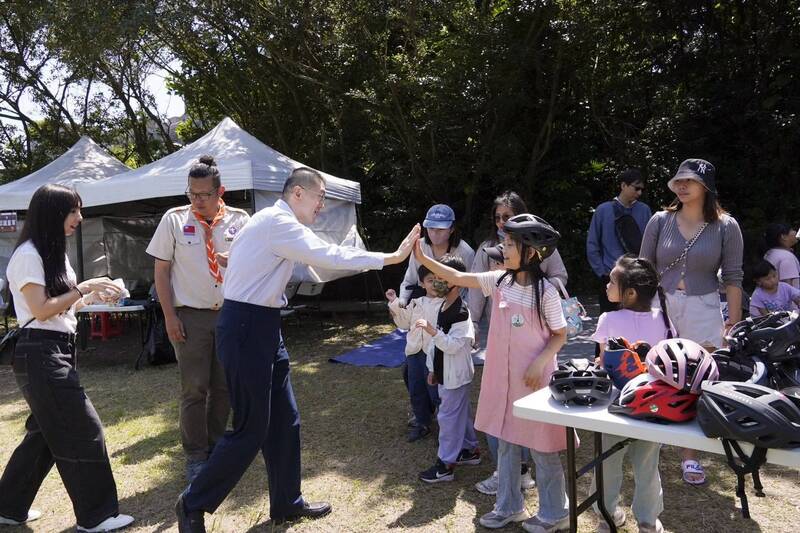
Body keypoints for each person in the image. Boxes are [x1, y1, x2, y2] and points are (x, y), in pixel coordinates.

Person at [175, 167, 420, 532]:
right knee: (250, 428)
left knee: (285, 420)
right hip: (246, 327)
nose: (322, 204)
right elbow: (329, 256)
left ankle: (287, 502)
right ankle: (193, 503)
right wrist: (390, 258)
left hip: (262, 326)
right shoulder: (279, 223)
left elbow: (240, 256)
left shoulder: (268, 221)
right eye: (320, 196)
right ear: (298, 194)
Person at [414, 214, 570, 533]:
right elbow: (456, 277)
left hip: (535, 383)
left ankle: (556, 511)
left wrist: (540, 363)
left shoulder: (547, 293)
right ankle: (509, 506)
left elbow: (560, 334)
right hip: (504, 381)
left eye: (510, 244)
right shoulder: (498, 280)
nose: (503, 248)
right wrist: (421, 255)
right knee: (507, 443)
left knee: (543, 448)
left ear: (530, 252)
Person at [0, 184, 134, 532]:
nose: (80, 217)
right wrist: (84, 287)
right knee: (82, 429)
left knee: (44, 433)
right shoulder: (29, 254)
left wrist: (92, 295)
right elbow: (42, 310)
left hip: (55, 347)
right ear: (52, 213)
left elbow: (63, 307)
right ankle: (97, 517)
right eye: (73, 211)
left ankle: (8, 507)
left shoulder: (51, 252)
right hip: (39, 351)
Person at [640, 158, 744, 486]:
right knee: (654, 371)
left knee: (699, 377)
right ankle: (647, 447)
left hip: (704, 305)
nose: (682, 186)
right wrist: (638, 312)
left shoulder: (726, 226)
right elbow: (643, 268)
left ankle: (690, 455)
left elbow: (733, 277)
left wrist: (735, 323)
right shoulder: (660, 220)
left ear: (706, 187)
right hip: (661, 303)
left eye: (690, 181)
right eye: (678, 181)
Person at [147, 155, 250, 482]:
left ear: (222, 191)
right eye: (192, 193)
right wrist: (169, 317)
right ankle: (195, 455)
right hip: (190, 317)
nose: (197, 200)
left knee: (223, 387)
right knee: (194, 388)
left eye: (204, 194)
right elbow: (161, 272)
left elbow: (254, 266)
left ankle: (216, 445)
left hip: (230, 315)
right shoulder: (174, 220)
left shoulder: (241, 220)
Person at [469, 190, 568, 495]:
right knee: (501, 411)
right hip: (501, 339)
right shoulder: (489, 248)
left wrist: (535, 292)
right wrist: (472, 321)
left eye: (507, 217)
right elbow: (472, 282)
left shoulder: (534, 252)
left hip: (533, 335)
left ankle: (531, 481)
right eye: (497, 217)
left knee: (535, 426)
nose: (501, 223)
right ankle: (508, 484)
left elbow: (558, 278)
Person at [591, 256, 672, 533]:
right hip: (652, 403)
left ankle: (606, 516)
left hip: (615, 405)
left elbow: (604, 362)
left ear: (631, 292)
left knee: (607, 461)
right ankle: (649, 521)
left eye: (612, 281)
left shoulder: (608, 318)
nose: (607, 284)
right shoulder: (663, 319)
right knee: (648, 465)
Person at [415, 254, 481, 483]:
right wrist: (434, 370)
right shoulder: (445, 304)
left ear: (456, 280)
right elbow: (438, 347)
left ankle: (445, 464)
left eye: (442, 276)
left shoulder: (462, 313)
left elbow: (454, 346)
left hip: (456, 376)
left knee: (448, 418)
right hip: (447, 374)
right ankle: (470, 450)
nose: (437, 281)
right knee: (458, 414)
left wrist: (434, 332)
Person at [385, 265, 443, 441]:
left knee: (435, 391)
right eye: (430, 280)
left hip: (433, 355)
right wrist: (394, 301)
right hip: (414, 353)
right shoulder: (416, 303)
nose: (434, 284)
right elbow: (403, 323)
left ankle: (445, 424)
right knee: (416, 389)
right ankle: (422, 422)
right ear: (422, 283)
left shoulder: (445, 304)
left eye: (438, 280)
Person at [587, 169, 652, 312]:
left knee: (638, 321)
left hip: (637, 277)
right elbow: (592, 244)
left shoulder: (644, 210)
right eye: (636, 188)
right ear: (623, 186)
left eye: (641, 189)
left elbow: (650, 243)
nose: (639, 193)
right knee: (609, 323)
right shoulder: (603, 210)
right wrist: (602, 272)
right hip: (610, 276)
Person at [398, 203, 474, 306]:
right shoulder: (419, 246)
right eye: (431, 228)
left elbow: (472, 287)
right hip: (424, 305)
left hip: (455, 306)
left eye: (441, 229)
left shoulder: (466, 252)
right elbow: (409, 280)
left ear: (452, 229)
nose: (434, 233)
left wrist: (465, 311)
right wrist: (402, 302)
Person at [762, 223, 800, 289]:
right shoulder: (786, 258)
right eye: (791, 230)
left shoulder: (770, 253)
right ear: (783, 236)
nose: (795, 232)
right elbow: (788, 288)